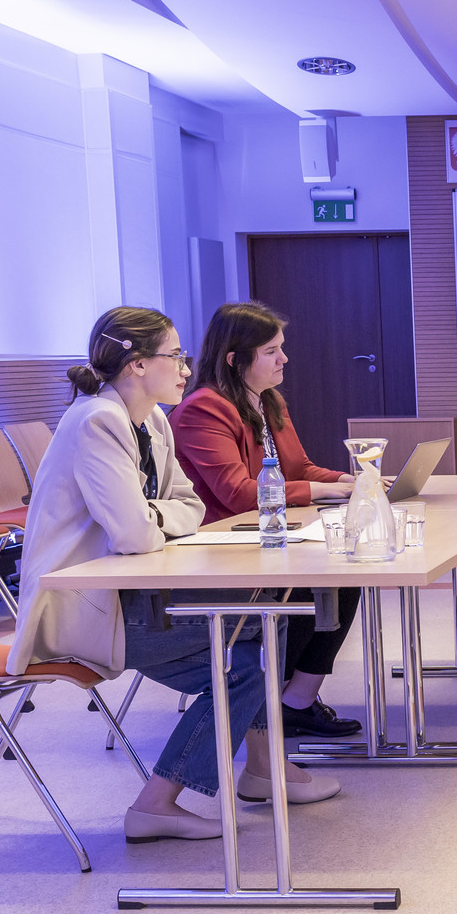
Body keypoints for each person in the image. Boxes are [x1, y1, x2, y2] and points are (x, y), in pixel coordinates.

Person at [6, 307, 340, 844]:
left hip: (130, 595)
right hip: (86, 612)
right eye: (175, 356)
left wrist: (152, 516)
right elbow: (135, 534)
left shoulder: (153, 421)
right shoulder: (96, 421)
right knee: (262, 621)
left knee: (251, 650)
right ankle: (255, 769)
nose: (186, 368)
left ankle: (177, 797)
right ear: (137, 364)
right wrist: (155, 519)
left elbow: (191, 508)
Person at [169, 302, 363, 740]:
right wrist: (325, 491)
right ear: (234, 359)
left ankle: (295, 701)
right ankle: (269, 703)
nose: (284, 359)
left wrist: (349, 480)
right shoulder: (203, 409)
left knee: (345, 573)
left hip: (267, 537)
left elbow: (298, 468)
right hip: (222, 549)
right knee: (314, 584)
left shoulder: (268, 400)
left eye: (282, 348)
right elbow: (239, 494)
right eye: (271, 351)